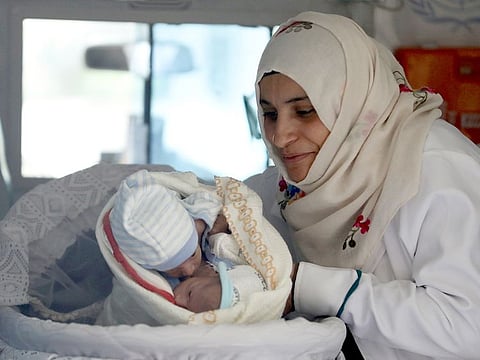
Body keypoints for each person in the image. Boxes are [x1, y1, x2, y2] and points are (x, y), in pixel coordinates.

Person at [183, 11, 480, 359]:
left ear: (354, 103)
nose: (281, 136)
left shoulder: (439, 171)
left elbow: (465, 325)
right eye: (269, 113)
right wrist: (204, 217)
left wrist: (302, 287)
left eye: (305, 111)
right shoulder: (312, 174)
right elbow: (247, 199)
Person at [106, 169, 267, 313]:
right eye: (175, 269)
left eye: (191, 254)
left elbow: (220, 202)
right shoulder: (164, 281)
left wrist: (220, 223)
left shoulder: (198, 224)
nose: (189, 270)